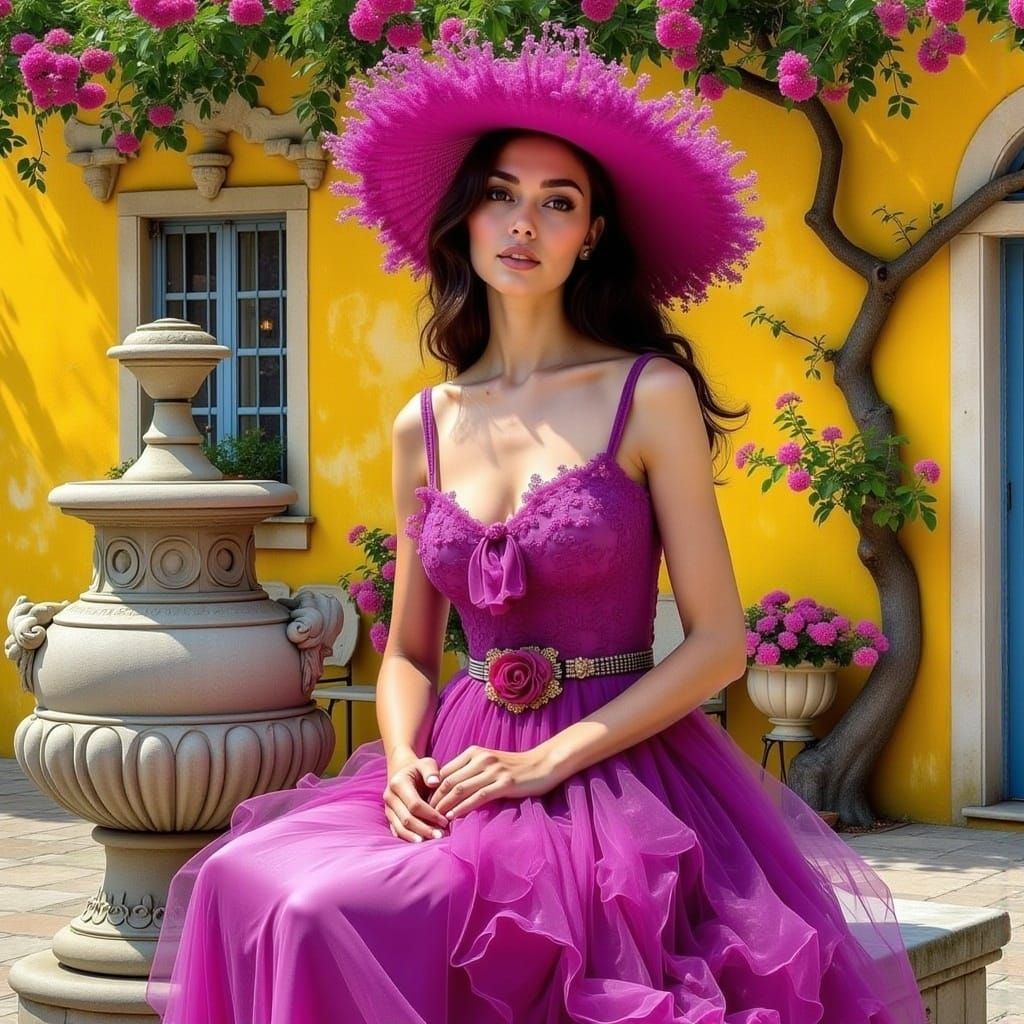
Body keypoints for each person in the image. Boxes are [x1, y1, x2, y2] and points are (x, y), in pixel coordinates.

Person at [147, 24, 927, 1024]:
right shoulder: (420, 424)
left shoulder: (646, 395)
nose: (524, 223)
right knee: (245, 880)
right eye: (500, 195)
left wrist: (543, 761)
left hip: (612, 767)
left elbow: (720, 644)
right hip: (455, 761)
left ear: (591, 233)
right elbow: (409, 651)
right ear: (464, 220)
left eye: (557, 203)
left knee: (328, 906)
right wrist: (401, 762)